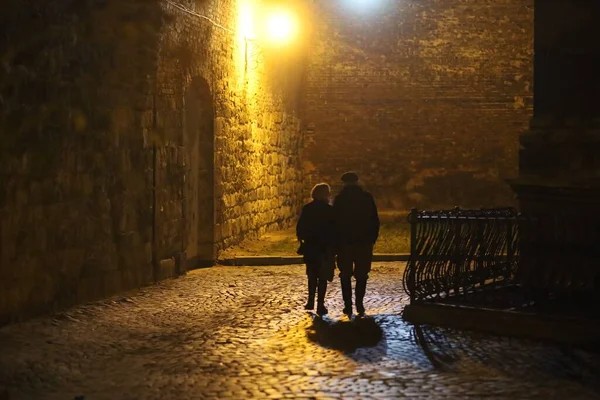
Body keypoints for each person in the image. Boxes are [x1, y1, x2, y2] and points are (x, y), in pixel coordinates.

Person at [333, 172, 379, 317]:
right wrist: (372, 238)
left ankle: (348, 305)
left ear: (344, 183)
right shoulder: (366, 197)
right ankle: (359, 303)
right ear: (357, 182)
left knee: (345, 274)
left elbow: (334, 221)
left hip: (345, 242)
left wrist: (336, 241)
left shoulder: (340, 199)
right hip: (364, 241)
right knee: (362, 274)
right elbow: (374, 219)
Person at [296, 183, 336, 316]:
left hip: (311, 247)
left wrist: (303, 239)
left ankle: (310, 300)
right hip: (325, 248)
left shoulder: (307, 209)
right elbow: (334, 229)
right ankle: (320, 304)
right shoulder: (330, 210)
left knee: (312, 276)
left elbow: (300, 228)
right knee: (323, 277)